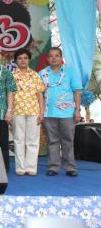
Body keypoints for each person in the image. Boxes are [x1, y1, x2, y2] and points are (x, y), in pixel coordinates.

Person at [39, 47, 82, 177]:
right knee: (52, 141)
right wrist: (40, 112)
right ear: (47, 59)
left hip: (67, 113)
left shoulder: (70, 72)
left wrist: (77, 110)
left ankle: (70, 167)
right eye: (51, 56)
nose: (54, 58)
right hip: (48, 113)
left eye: (57, 56)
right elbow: (39, 94)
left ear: (61, 58)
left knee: (68, 140)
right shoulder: (42, 73)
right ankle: (53, 167)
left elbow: (77, 91)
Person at [12, 48, 45, 176]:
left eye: (25, 58)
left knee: (32, 140)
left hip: (34, 111)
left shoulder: (35, 75)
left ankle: (31, 167)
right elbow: (9, 94)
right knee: (19, 140)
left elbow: (40, 95)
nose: (23, 60)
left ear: (29, 60)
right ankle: (20, 167)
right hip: (17, 111)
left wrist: (41, 113)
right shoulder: (12, 76)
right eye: (20, 58)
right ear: (16, 61)